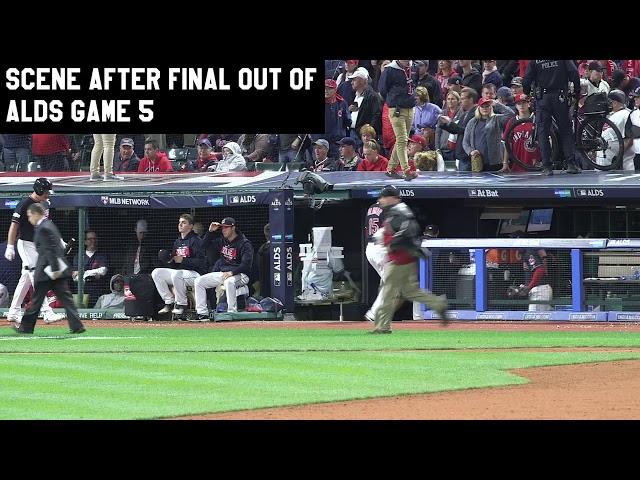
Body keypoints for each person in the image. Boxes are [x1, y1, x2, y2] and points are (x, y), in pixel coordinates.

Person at [371, 185, 449, 333]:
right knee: (410, 292)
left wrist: (392, 242)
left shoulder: (399, 210)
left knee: (387, 292)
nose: (380, 199)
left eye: (383, 197)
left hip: (398, 259)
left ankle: (382, 327)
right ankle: (439, 304)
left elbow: (408, 231)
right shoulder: (398, 210)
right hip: (404, 258)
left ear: (392, 198)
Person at [10, 203, 85, 334]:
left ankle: (26, 328)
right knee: (66, 299)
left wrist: (54, 269)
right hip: (55, 270)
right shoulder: (48, 225)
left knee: (36, 300)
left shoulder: (43, 227)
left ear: (36, 213)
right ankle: (77, 326)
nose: (29, 219)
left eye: (29, 216)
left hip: (48, 271)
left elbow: (50, 250)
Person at [4, 177, 65, 325]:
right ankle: (47, 312)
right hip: (25, 244)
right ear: (39, 190)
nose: (48, 194)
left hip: (37, 246)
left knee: (26, 278)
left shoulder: (43, 204)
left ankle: (13, 312)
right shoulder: (25, 204)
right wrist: (10, 246)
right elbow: (14, 226)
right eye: (46, 191)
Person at [522, 60, 582, 176]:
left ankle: (547, 166)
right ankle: (570, 164)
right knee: (565, 130)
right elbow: (574, 71)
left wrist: (526, 92)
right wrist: (577, 90)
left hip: (542, 98)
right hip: (560, 97)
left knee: (543, 132)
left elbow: (527, 78)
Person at [193, 217, 254, 320]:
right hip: (225, 273)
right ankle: (202, 313)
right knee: (199, 281)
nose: (223, 230)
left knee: (229, 282)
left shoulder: (244, 243)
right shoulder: (222, 241)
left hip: (242, 274)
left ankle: (231, 312)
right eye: (222, 228)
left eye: (226, 228)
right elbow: (202, 246)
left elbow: (246, 264)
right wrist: (210, 232)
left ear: (233, 228)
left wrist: (232, 272)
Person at [151, 213, 207, 317]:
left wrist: (183, 260)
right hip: (180, 274)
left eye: (184, 223)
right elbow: (175, 264)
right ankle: (169, 301)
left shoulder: (196, 241)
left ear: (190, 226)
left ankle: (181, 304)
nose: (180, 225)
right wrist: (169, 260)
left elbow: (202, 263)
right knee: (156, 273)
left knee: (177, 274)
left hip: (196, 275)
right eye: (179, 222)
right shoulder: (177, 241)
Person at [380, 60, 418, 180]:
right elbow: (382, 89)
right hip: (396, 109)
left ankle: (391, 169)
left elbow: (414, 84)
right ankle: (406, 170)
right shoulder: (389, 69)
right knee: (402, 140)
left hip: (410, 107)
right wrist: (394, 99)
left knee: (402, 139)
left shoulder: (414, 67)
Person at [364, 200, 386, 322]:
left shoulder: (371, 208)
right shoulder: (387, 208)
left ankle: (379, 313)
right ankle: (374, 313)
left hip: (370, 248)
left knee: (386, 281)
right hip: (380, 248)